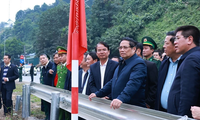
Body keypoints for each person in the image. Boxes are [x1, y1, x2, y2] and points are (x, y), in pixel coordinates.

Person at [89, 37, 147, 109]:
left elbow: (133, 83)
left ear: (134, 49)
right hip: (119, 107)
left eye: (125, 47)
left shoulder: (138, 63)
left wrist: (121, 98)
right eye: (120, 48)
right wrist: (98, 94)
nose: (122, 50)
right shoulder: (122, 62)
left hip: (132, 108)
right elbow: (113, 81)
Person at [167, 25, 200, 117]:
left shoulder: (191, 59)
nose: (175, 42)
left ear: (189, 39)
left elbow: (188, 95)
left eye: (177, 38)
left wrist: (182, 117)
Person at [154, 31, 181, 112]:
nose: (163, 46)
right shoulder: (164, 63)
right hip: (162, 111)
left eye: (166, 43)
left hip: (177, 112)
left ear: (175, 44)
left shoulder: (185, 63)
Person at [136, 42, 158, 109]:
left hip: (144, 103)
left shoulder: (150, 65)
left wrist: (148, 103)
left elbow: (154, 86)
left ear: (138, 51)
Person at [55, 46, 71, 120]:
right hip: (59, 91)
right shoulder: (59, 66)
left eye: (62, 55)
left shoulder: (69, 66)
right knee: (60, 110)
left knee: (67, 112)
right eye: (59, 56)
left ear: (67, 55)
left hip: (66, 92)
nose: (60, 58)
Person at [40, 54, 53, 120]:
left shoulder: (51, 65)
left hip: (51, 89)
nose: (42, 60)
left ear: (47, 58)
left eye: (43, 58)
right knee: (46, 104)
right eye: (41, 59)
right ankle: (47, 116)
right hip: (45, 89)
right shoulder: (43, 68)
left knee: (50, 105)